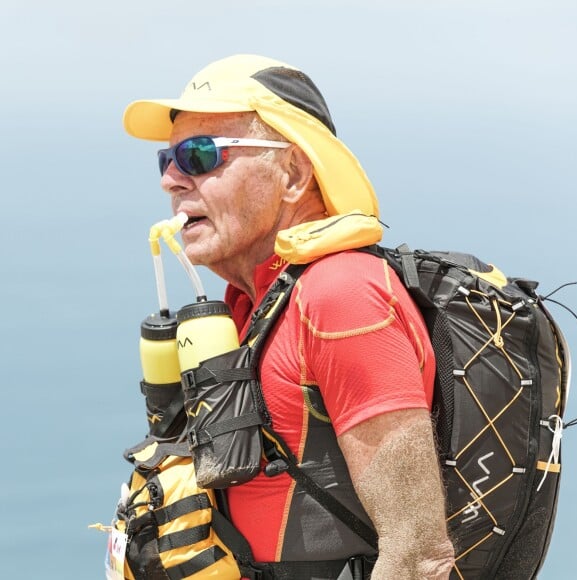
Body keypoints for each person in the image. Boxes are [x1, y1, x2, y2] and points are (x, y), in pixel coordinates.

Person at [123, 54, 455, 579]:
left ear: (294, 174)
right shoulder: (253, 303)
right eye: (166, 160)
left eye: (200, 154)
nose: (171, 180)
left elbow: (418, 556)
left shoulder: (341, 297)